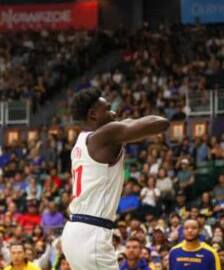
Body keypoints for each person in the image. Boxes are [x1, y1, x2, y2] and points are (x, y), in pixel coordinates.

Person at [61, 88, 170, 270]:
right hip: (91, 234)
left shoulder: (82, 141)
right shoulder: (106, 135)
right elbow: (161, 123)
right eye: (108, 109)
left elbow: (124, 125)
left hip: (74, 231)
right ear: (93, 114)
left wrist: (123, 124)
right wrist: (123, 124)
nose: (113, 113)